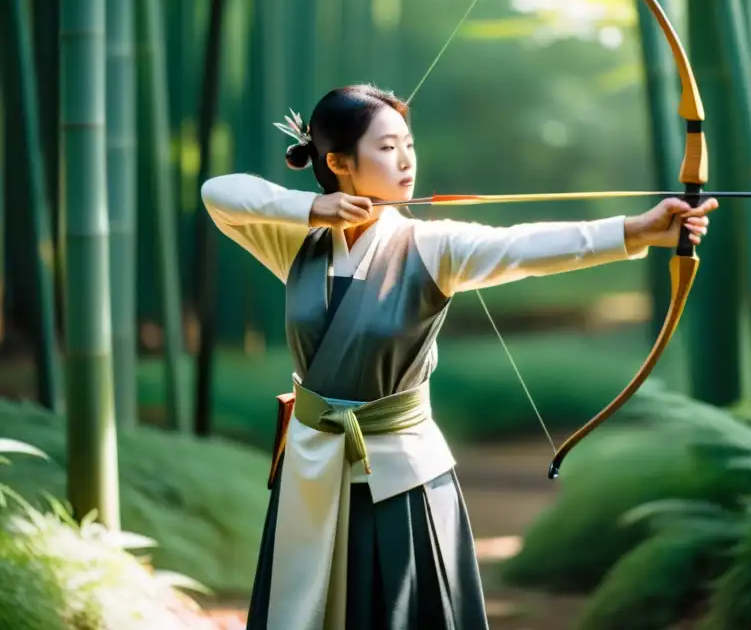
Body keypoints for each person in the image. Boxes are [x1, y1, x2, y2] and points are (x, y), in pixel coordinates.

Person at [201, 84, 717, 630]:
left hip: (398, 474)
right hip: (312, 468)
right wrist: (310, 208)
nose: (405, 161)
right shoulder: (296, 242)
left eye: (409, 145)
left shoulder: (432, 245)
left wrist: (635, 231)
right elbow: (219, 191)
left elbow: (524, 247)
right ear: (337, 163)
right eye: (386, 147)